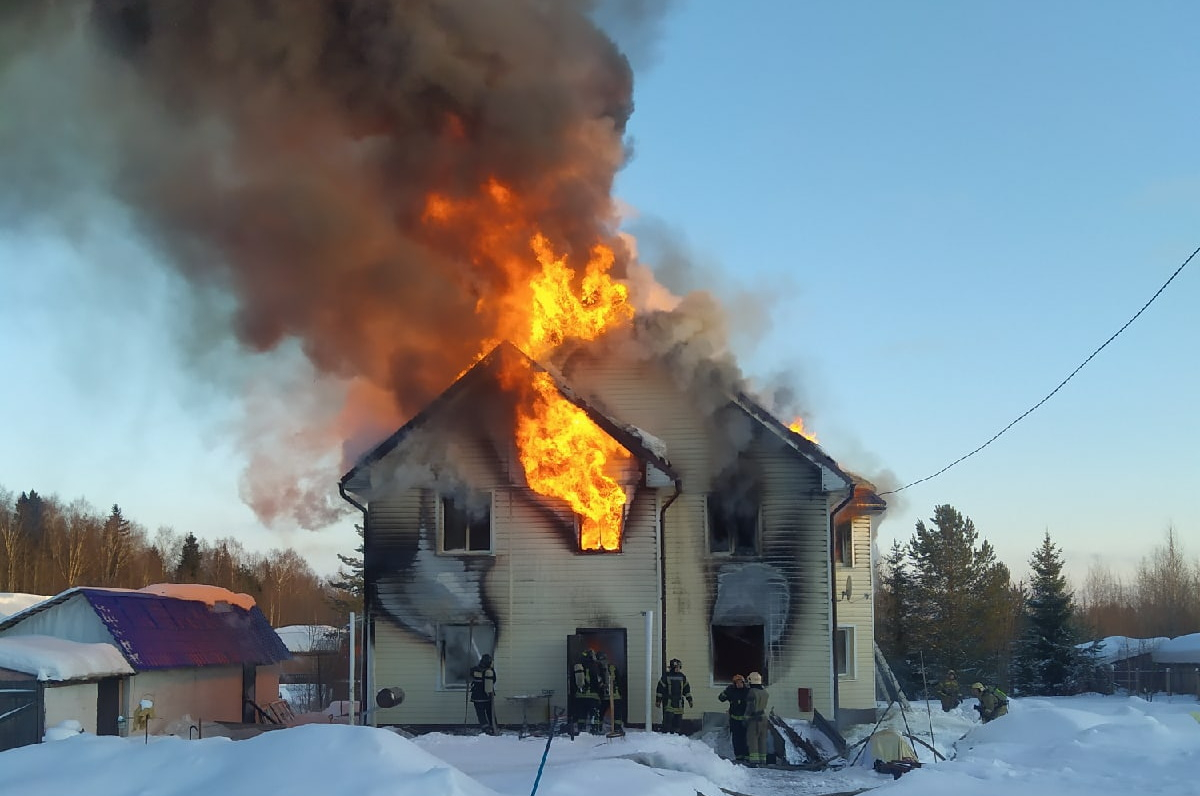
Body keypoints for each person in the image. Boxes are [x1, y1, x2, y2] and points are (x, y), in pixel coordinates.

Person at [718, 674, 750, 763]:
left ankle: (747, 757)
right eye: (737, 682)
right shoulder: (731, 691)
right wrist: (726, 691)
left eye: (741, 682)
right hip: (734, 720)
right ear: (734, 684)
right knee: (736, 739)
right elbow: (721, 698)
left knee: (746, 738)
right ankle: (739, 757)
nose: (739, 684)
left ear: (744, 683)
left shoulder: (748, 691)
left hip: (746, 720)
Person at [655, 658, 693, 734]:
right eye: (676, 667)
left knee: (678, 720)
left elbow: (686, 690)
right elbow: (660, 689)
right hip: (669, 702)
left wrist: (690, 700)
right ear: (672, 667)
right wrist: (658, 700)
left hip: (679, 703)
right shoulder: (666, 677)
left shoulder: (682, 677)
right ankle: (666, 735)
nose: (678, 669)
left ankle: (676, 736)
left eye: (679, 667)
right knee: (668, 719)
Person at [572, 649, 600, 734]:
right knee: (594, 714)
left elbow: (574, 681)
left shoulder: (579, 666)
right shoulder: (595, 666)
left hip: (580, 695)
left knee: (581, 714)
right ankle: (594, 729)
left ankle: (581, 729)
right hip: (593, 696)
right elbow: (598, 680)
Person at [744, 672, 769, 767]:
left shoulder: (752, 692)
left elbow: (750, 707)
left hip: (754, 719)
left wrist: (745, 718)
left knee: (753, 740)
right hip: (763, 718)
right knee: (762, 740)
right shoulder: (764, 692)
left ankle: (754, 762)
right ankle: (763, 760)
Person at [470, 653, 497, 734]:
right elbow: (494, 680)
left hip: (477, 697)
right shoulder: (490, 671)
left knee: (480, 713)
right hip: (488, 696)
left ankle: (486, 728)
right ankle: (493, 726)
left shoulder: (475, 670)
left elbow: (470, 672)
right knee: (490, 712)